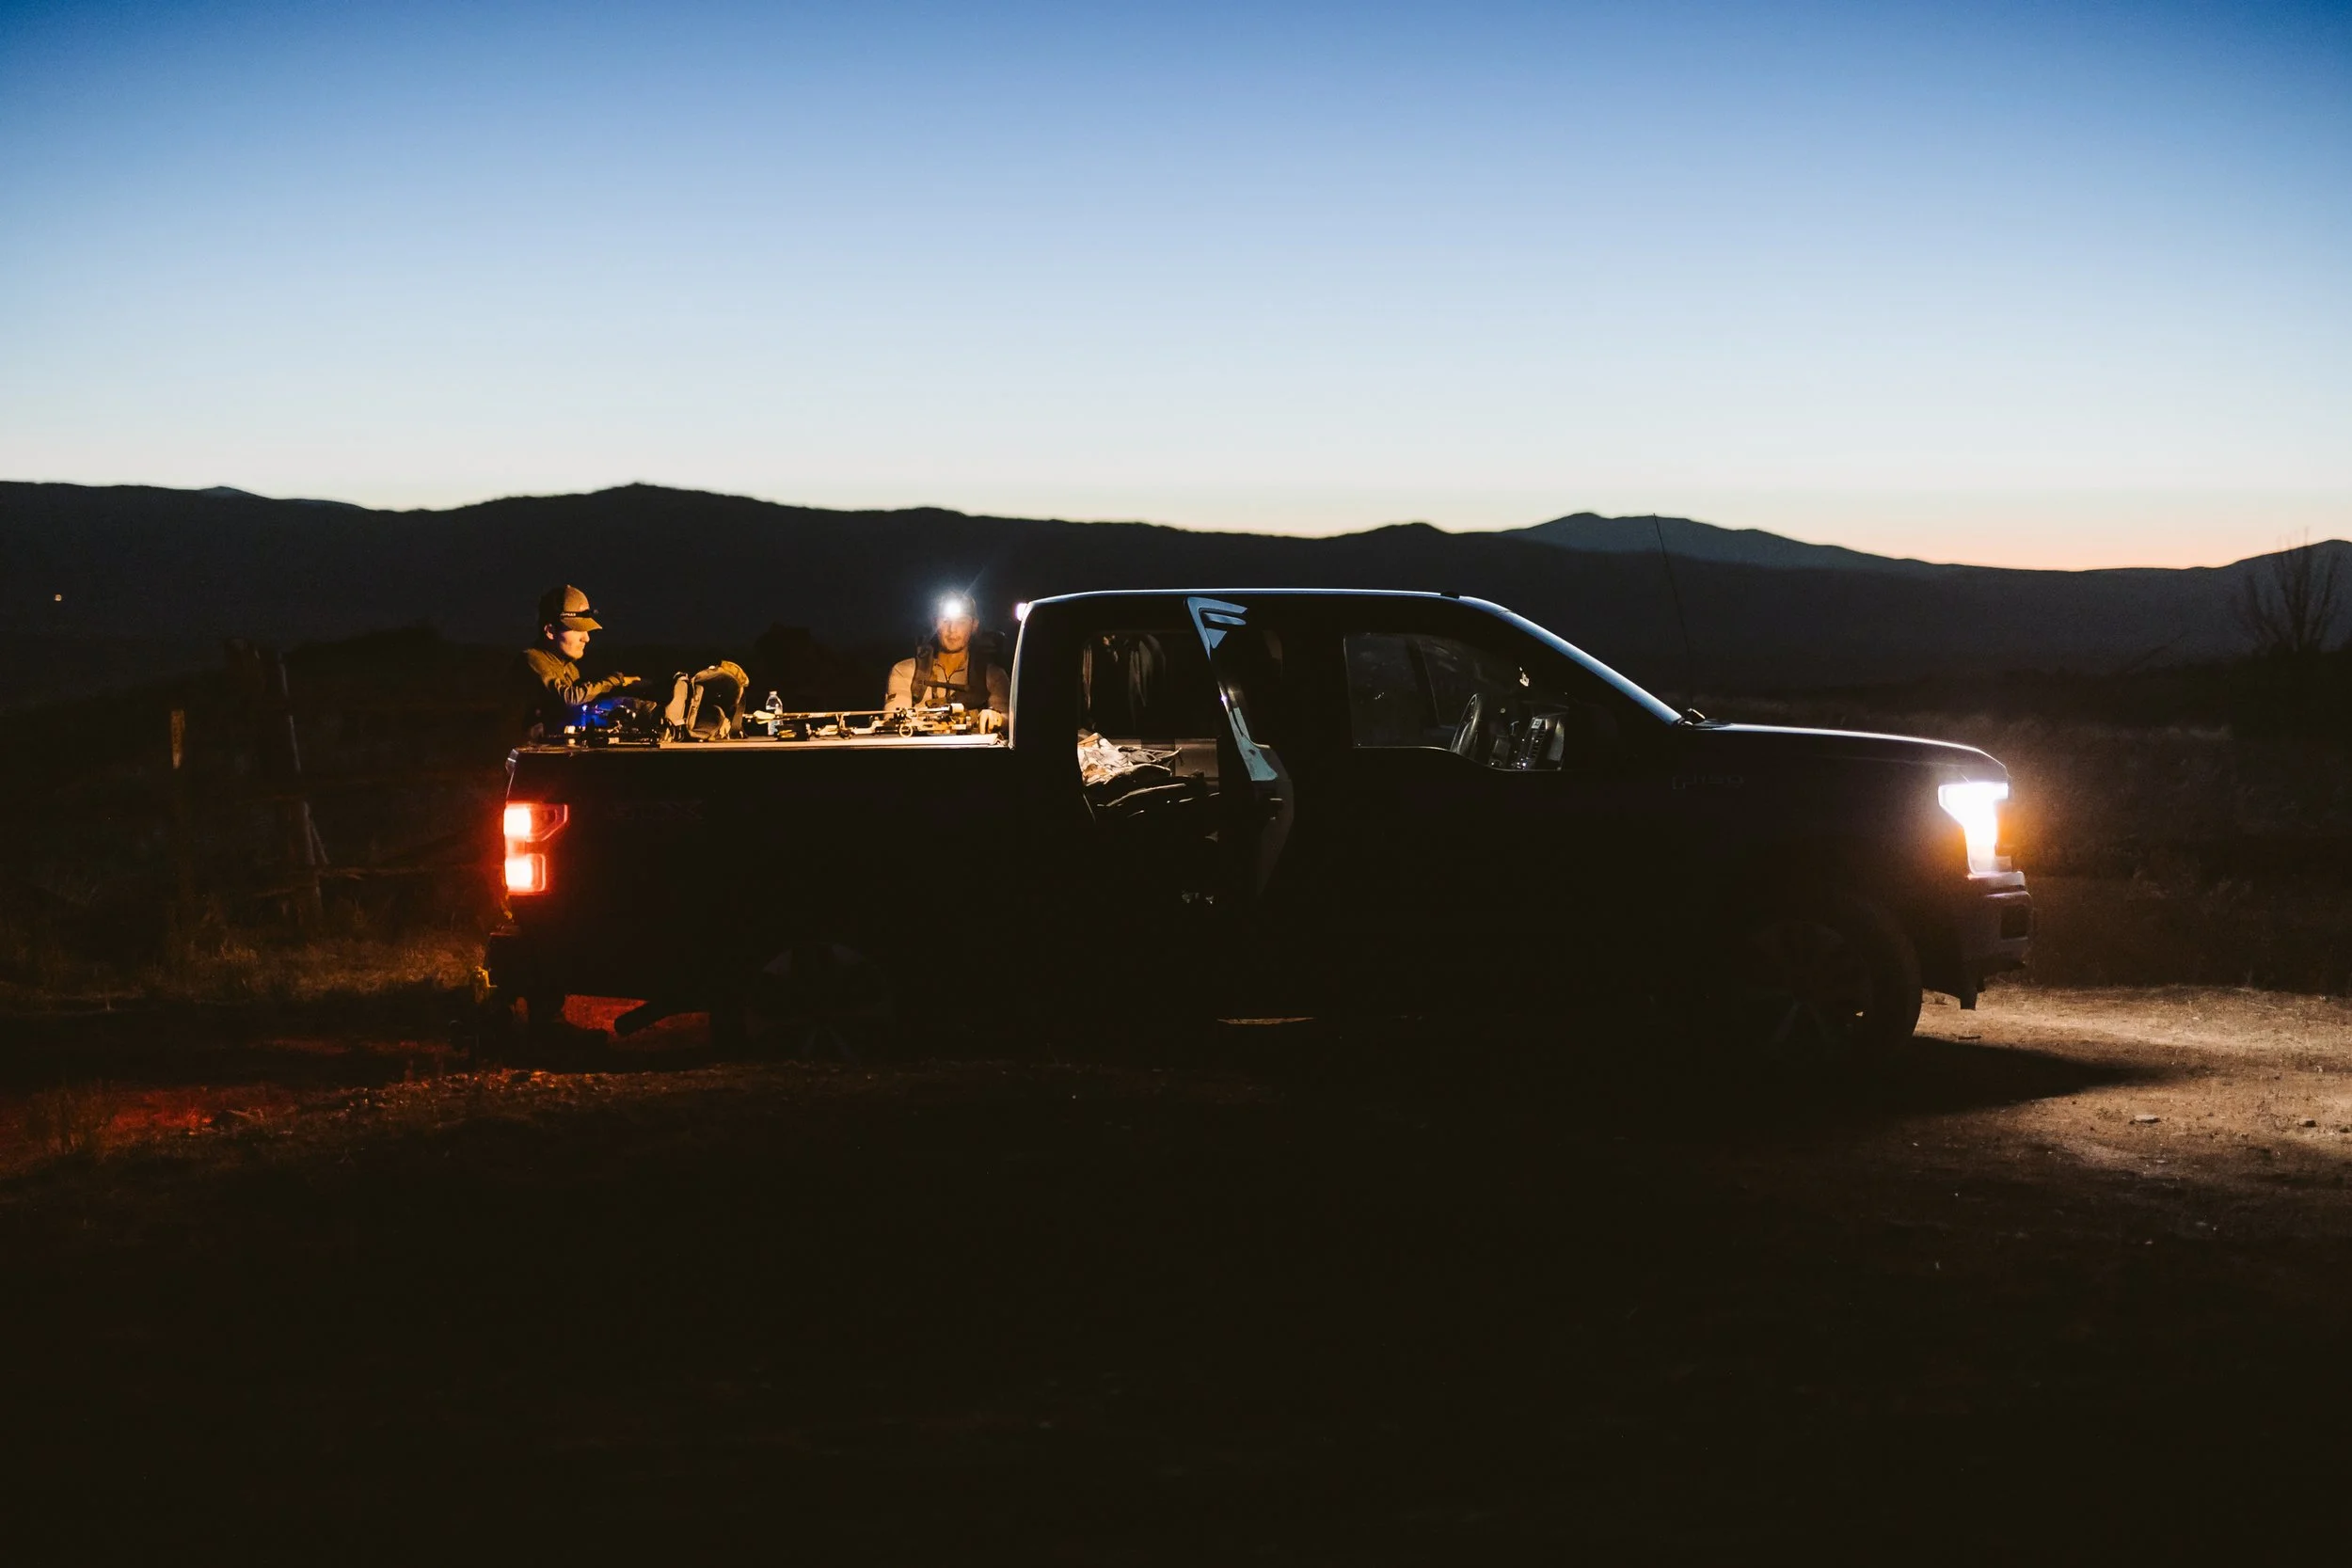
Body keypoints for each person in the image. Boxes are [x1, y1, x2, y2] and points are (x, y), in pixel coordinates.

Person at [517, 584, 644, 741]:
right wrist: (616, 681)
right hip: (523, 759)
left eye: (587, 630)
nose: (586, 638)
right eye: (577, 630)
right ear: (550, 631)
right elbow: (571, 698)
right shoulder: (532, 659)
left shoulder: (570, 669)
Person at [883, 594, 1009, 721]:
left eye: (961, 622)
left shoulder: (992, 676)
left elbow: (1008, 718)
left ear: (974, 626)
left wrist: (996, 719)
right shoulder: (905, 671)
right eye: (945, 621)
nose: (952, 629)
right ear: (934, 623)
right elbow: (893, 718)